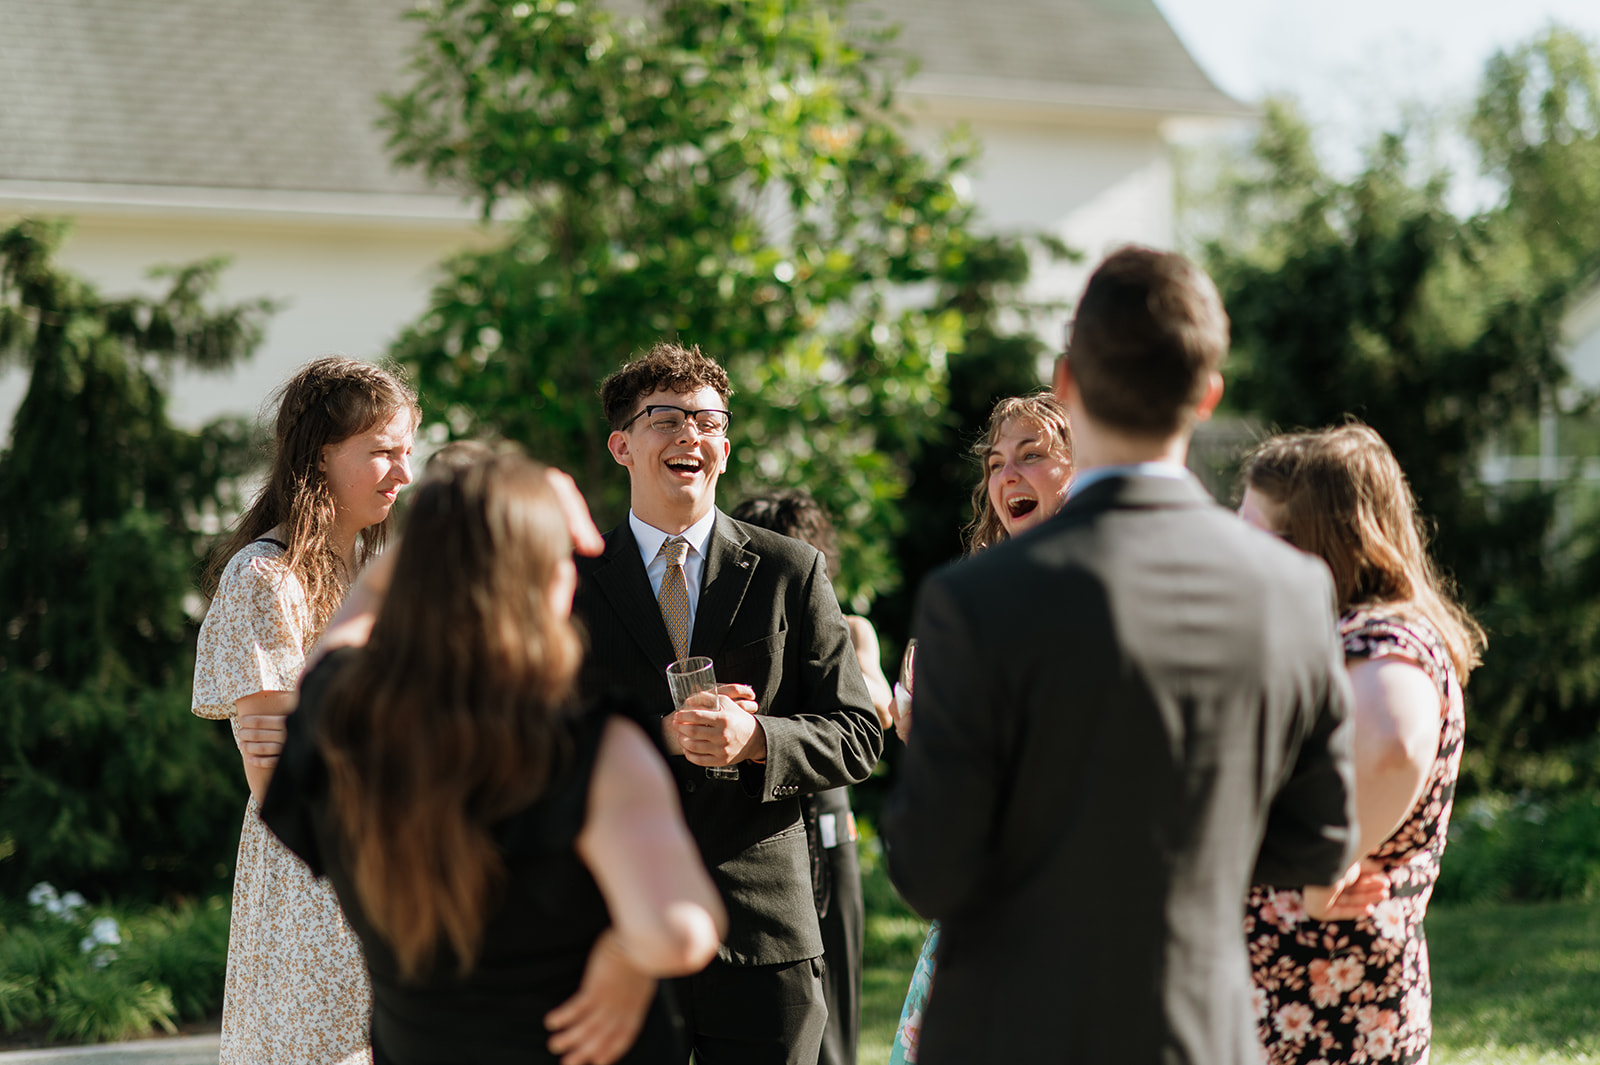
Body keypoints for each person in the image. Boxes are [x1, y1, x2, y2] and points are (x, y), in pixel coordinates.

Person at [882, 246, 1366, 1065]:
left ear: (1068, 382)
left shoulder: (975, 600)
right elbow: (1318, 836)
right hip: (1193, 1034)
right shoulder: (1290, 588)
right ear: (1207, 395)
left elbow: (928, 867)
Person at [259, 451, 726, 1065]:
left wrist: (444, 531)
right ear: (552, 582)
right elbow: (680, 932)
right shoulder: (593, 749)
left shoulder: (341, 728)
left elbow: (341, 643)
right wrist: (622, 953)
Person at [572, 341, 883, 1065]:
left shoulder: (790, 571)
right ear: (622, 443)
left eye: (708, 420)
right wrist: (661, 736)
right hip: (617, 932)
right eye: (667, 418)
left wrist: (758, 738)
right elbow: (538, 743)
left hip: (765, 938)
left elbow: (858, 733)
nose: (691, 435)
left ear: (726, 446)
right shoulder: (572, 583)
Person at [191, 356, 416, 1065]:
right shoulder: (265, 578)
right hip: (321, 870)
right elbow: (277, 773)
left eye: (406, 451)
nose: (401, 473)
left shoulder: (377, 577)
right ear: (320, 454)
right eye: (382, 451)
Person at [1238, 424, 1485, 1065]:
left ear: (1315, 540)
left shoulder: (1382, 638)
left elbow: (1394, 744)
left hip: (1327, 1014)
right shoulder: (1329, 634)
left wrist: (1326, 862)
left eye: (1252, 529)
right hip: (1286, 1004)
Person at [886, 390, 1074, 1064]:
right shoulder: (978, 596)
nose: (1006, 478)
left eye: (1032, 455)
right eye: (995, 463)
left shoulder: (1100, 589)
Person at [727, 489, 888, 1065]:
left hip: (828, 821)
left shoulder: (849, 628)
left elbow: (874, 703)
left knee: (837, 996)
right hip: (767, 819)